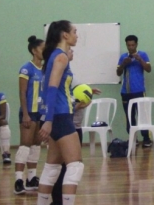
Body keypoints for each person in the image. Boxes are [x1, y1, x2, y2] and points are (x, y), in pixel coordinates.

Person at [36, 21, 83, 205]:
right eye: (74, 32)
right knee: (75, 165)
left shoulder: (58, 57)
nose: (76, 35)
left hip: (56, 117)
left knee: (52, 167)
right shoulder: (60, 57)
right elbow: (52, 89)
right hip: (60, 117)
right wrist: (48, 121)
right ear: (64, 35)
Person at [51, 70, 99, 205]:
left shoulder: (70, 75)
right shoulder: (59, 77)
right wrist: (78, 105)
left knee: (70, 166)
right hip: (67, 128)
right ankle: (58, 200)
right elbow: (65, 107)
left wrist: (87, 92)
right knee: (67, 166)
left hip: (75, 128)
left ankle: (60, 199)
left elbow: (77, 92)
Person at [14, 36, 45, 194]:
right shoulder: (26, 68)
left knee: (36, 146)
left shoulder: (45, 69)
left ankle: (32, 179)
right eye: (42, 48)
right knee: (25, 146)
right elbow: (22, 92)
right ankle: (18, 180)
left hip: (40, 113)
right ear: (34, 50)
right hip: (29, 112)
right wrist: (25, 114)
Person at [116, 34, 153, 148]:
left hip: (139, 91)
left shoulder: (143, 54)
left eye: (133, 45)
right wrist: (124, 64)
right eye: (128, 45)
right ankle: (134, 139)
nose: (131, 47)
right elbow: (118, 73)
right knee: (129, 116)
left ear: (136, 44)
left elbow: (148, 69)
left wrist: (139, 59)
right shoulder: (123, 57)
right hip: (126, 92)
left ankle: (146, 139)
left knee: (142, 116)